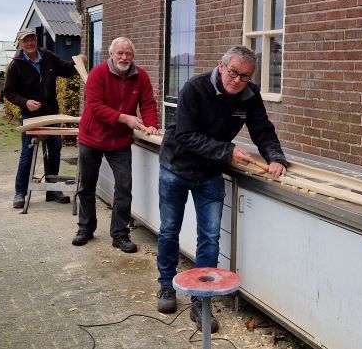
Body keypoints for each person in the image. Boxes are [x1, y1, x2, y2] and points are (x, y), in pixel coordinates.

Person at [155, 45, 288, 333]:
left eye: (245, 76)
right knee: (169, 230)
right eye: (233, 72)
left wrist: (275, 157)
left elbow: (262, 130)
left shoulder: (249, 96)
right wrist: (227, 152)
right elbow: (186, 135)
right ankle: (166, 286)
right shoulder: (194, 88)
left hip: (210, 172)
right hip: (176, 167)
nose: (237, 81)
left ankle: (200, 301)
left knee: (210, 237)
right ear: (221, 65)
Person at [73, 37, 159, 253]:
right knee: (87, 185)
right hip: (92, 137)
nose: (124, 57)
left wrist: (152, 125)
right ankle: (85, 228)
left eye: (128, 54)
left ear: (133, 56)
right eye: (120, 53)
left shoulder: (141, 77)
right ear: (111, 54)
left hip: (119, 141)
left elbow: (148, 104)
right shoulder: (98, 74)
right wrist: (125, 118)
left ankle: (120, 234)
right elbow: (95, 107)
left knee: (124, 186)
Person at [3, 28, 78, 208]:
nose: (30, 43)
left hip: (51, 113)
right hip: (31, 116)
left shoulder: (48, 56)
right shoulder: (16, 65)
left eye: (32, 39)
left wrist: (77, 62)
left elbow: (66, 70)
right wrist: (25, 102)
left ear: (36, 40)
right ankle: (20, 192)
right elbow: (8, 92)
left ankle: (52, 190)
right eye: (26, 40)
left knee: (54, 149)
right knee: (27, 154)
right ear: (20, 44)